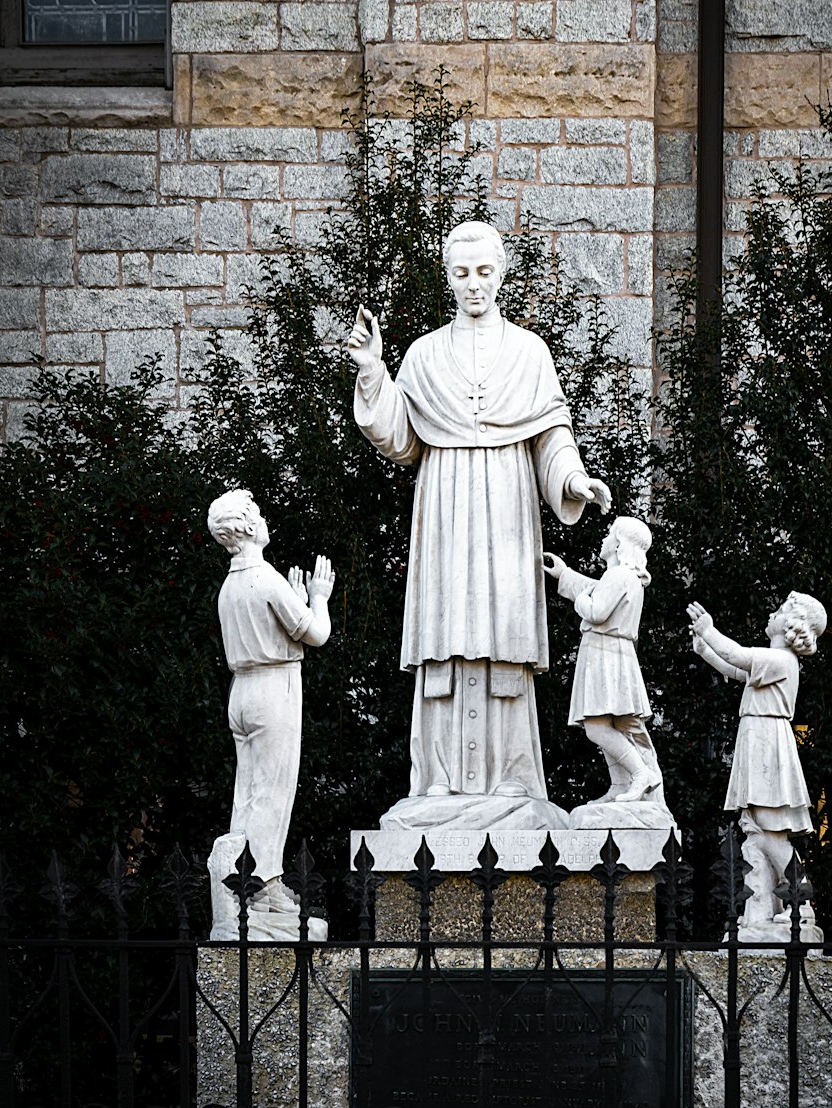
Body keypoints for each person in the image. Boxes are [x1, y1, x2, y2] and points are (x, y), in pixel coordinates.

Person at [347, 220, 610, 819]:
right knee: (444, 637)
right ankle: (437, 781)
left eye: (484, 272)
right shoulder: (424, 354)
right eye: (461, 273)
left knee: (505, 637)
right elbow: (400, 437)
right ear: (448, 277)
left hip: (507, 512)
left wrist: (573, 480)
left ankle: (514, 780)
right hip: (444, 510)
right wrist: (371, 370)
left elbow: (551, 436)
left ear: (502, 273)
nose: (473, 285)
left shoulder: (528, 353)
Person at [208, 489, 334, 908]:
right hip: (272, 688)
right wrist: (317, 597)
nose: (263, 519)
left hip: (240, 690)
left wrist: (294, 601)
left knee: (247, 791)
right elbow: (316, 634)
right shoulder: (264, 577)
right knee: (273, 790)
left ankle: (239, 877)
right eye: (257, 514)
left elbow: (269, 628)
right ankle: (263, 885)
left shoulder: (230, 586)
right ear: (245, 527)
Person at [688, 591, 827, 929]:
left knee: (769, 827)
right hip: (757, 739)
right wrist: (704, 648)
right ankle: (762, 910)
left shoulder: (779, 659)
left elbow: (738, 654)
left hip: (768, 743)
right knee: (756, 828)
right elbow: (735, 668)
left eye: (779, 610)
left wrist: (709, 630)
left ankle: (801, 897)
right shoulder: (772, 661)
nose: (772, 613)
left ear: (792, 624)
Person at [544, 517, 670, 807]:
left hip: (606, 656)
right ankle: (620, 784)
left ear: (617, 543)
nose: (603, 540)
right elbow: (595, 588)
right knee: (607, 724)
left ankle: (640, 774)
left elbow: (596, 609)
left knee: (597, 727)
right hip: (612, 655)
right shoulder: (626, 578)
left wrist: (579, 604)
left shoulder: (619, 576)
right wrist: (565, 575)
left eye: (608, 534)